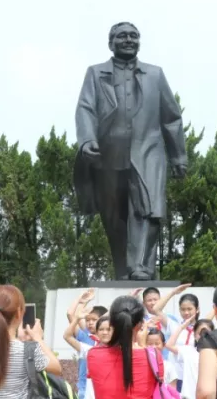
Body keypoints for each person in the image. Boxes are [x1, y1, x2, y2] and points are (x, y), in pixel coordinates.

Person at [74, 22, 188, 280]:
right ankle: (123, 269)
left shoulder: (155, 75)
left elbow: (171, 117)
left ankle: (141, 267)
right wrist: (87, 140)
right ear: (110, 43)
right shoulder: (95, 73)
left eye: (134, 36)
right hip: (108, 155)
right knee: (114, 216)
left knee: (148, 208)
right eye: (122, 36)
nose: (128, 40)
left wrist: (178, 156)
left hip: (148, 150)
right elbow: (85, 108)